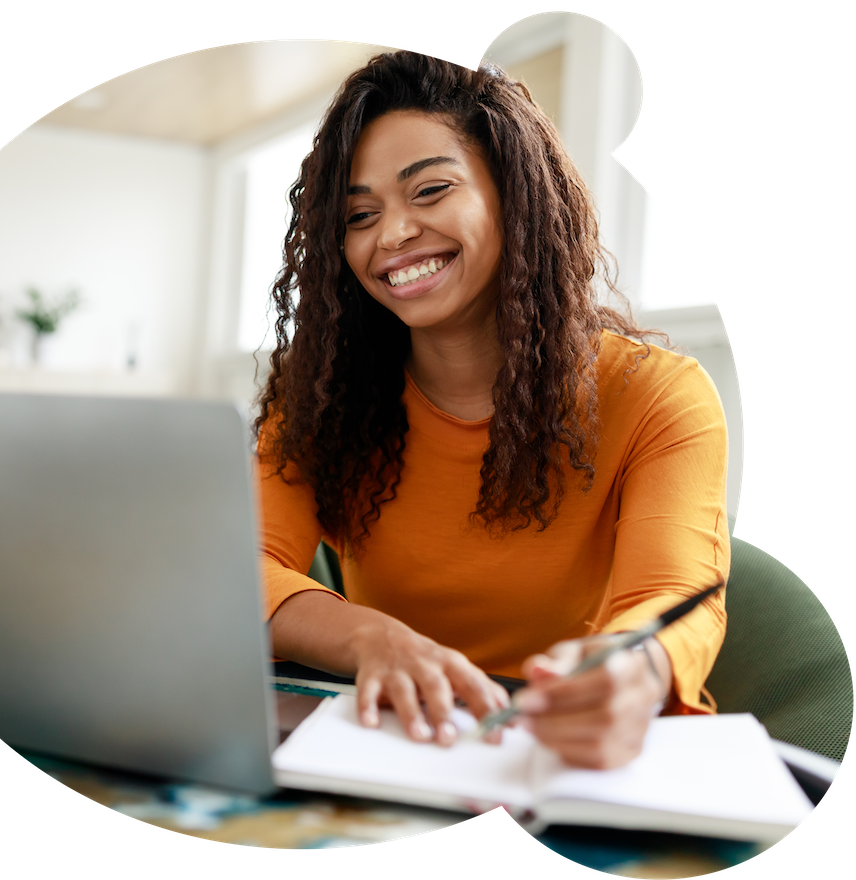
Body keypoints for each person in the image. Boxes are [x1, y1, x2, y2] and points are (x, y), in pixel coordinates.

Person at [254, 51, 729, 769]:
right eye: (359, 214)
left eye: (431, 190)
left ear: (515, 193)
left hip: (563, 757)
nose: (393, 235)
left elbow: (673, 596)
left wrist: (636, 671)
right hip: (388, 744)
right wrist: (370, 638)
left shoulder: (658, 395)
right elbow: (243, 566)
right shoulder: (320, 395)